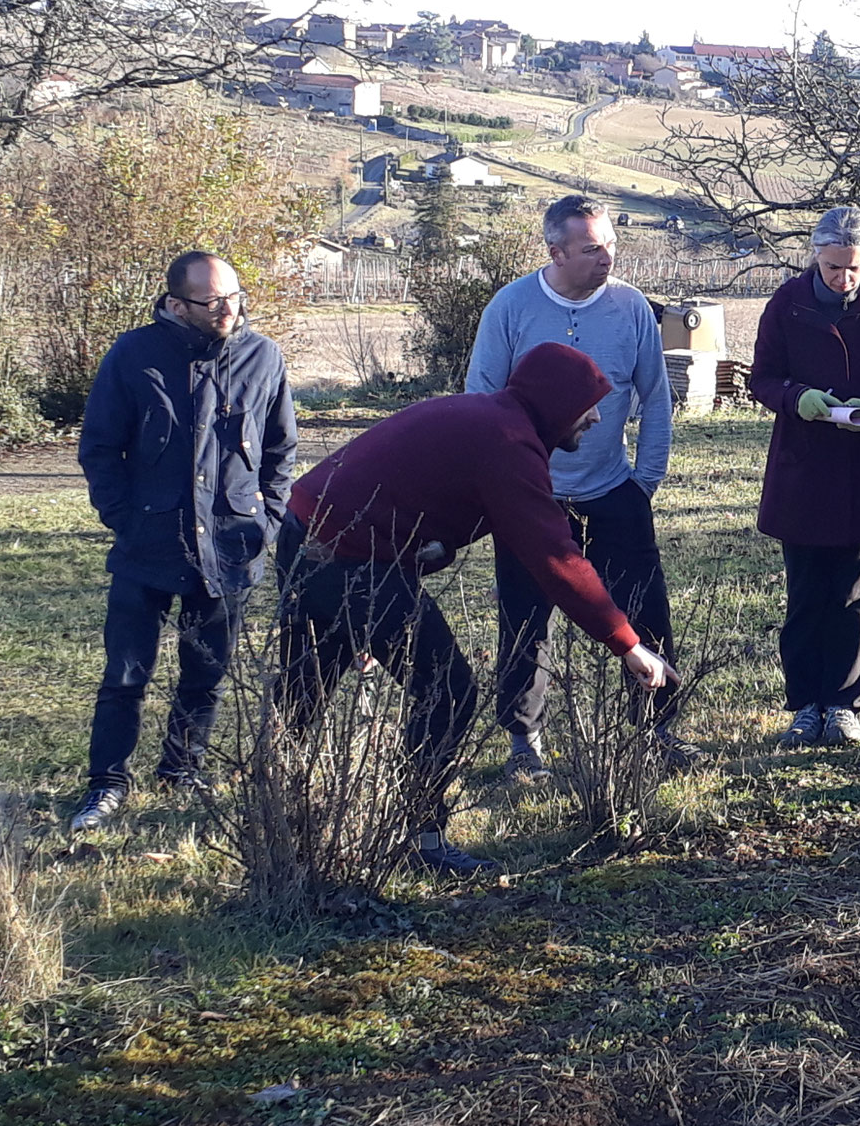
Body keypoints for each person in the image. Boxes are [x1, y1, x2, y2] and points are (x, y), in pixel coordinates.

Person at [278, 342, 675, 876]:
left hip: (309, 535)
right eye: (589, 403)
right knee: (447, 687)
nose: (598, 416)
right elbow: (557, 559)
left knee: (305, 691)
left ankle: (278, 821)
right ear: (556, 403)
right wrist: (627, 644)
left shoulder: (488, 419)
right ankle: (421, 837)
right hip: (344, 554)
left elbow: (403, 496)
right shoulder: (508, 444)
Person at [70, 252, 296, 831]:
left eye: (235, 296)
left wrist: (265, 521)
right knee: (125, 674)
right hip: (149, 542)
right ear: (176, 303)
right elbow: (100, 447)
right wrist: (124, 517)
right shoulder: (133, 355)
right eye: (212, 300)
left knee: (207, 672)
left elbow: (280, 451)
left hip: (230, 543)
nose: (228, 309)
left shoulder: (263, 356)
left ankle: (181, 769)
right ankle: (106, 784)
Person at [465, 195, 683, 781]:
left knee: (643, 609)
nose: (606, 257)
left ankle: (658, 728)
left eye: (610, 244)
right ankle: (524, 744)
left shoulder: (633, 307)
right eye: (591, 249)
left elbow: (657, 399)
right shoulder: (510, 308)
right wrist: (502, 488)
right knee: (525, 617)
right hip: (529, 495)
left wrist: (645, 482)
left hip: (614, 489)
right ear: (555, 251)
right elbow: (481, 400)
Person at [751, 207, 860, 747]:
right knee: (804, 594)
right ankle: (804, 706)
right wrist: (798, 398)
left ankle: (845, 705)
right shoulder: (786, 303)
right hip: (804, 462)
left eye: (853, 269)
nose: (844, 279)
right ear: (814, 258)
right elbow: (763, 377)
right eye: (832, 268)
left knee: (852, 594)